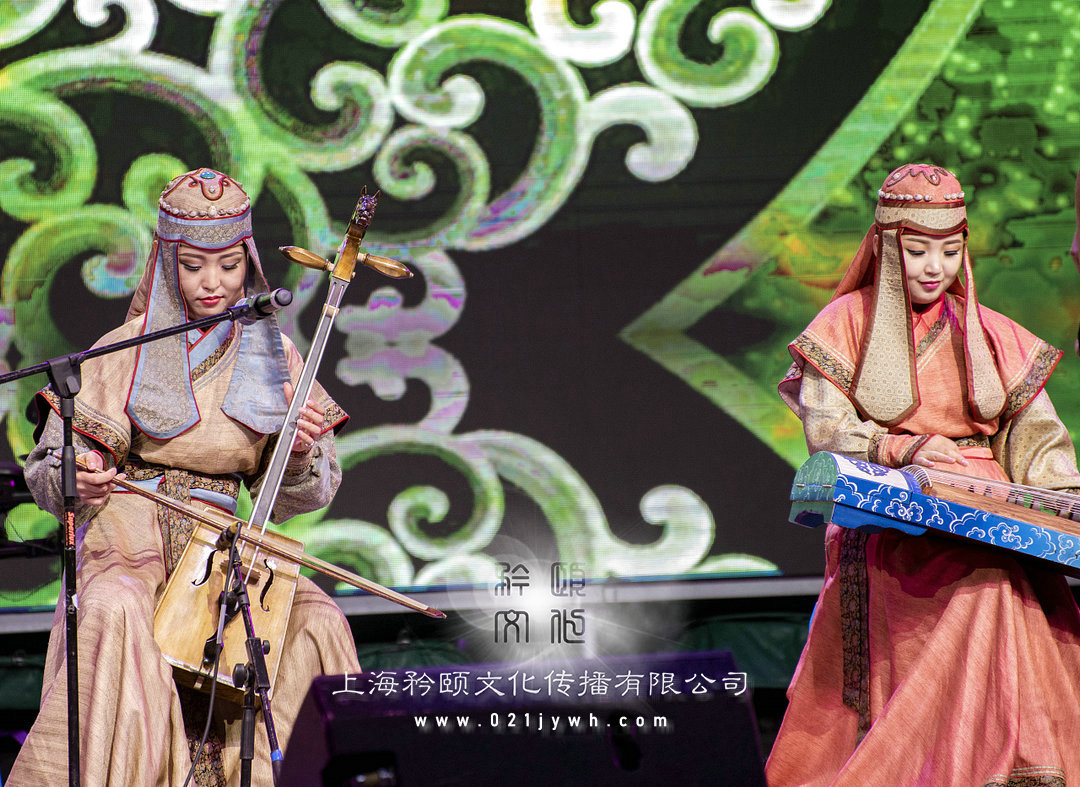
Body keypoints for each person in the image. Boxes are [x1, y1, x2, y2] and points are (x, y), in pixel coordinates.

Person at [8, 168, 362, 786]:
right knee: (116, 606)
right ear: (168, 262)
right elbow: (56, 460)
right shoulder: (126, 346)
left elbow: (299, 493)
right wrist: (79, 476)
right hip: (131, 533)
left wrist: (299, 452)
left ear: (248, 262)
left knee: (318, 620)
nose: (212, 282)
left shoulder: (276, 356)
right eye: (194, 266)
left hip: (223, 546)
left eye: (229, 266)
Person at [770, 163, 1080, 785]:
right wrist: (898, 449)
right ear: (888, 246)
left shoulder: (990, 333)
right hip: (894, 526)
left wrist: (1061, 502)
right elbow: (828, 431)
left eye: (949, 250)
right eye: (917, 251)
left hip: (993, 527)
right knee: (981, 597)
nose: (934, 267)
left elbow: (1038, 440)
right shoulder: (844, 325)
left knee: (999, 588)